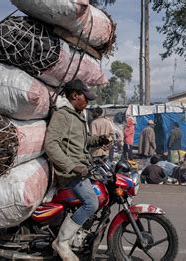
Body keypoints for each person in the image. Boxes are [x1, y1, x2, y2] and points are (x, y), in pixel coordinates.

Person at [44, 79, 110, 260]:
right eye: (85, 97)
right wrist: (72, 166)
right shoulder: (62, 116)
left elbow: (81, 142)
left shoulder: (77, 116)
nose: (87, 101)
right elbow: (51, 145)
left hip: (82, 169)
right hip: (70, 174)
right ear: (74, 95)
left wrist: (99, 140)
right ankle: (62, 242)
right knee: (92, 203)